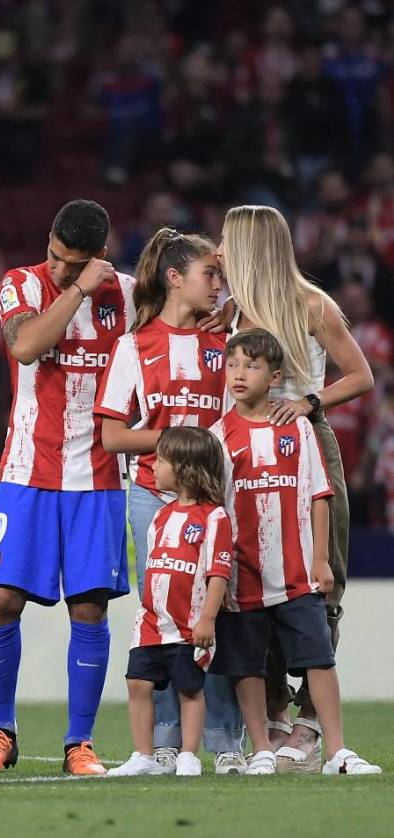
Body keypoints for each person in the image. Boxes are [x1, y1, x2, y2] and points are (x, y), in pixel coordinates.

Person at [0, 199, 135, 776]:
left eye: (74, 264)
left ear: (101, 255)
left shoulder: (132, 296)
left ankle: (79, 744)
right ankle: (1, 729)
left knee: (89, 608)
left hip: (98, 477)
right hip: (26, 472)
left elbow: (189, 313)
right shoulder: (22, 284)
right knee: (1, 600)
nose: (60, 269)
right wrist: (74, 290)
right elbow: (23, 347)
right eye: (56, 257)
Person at [217, 204, 374, 773]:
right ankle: (277, 713)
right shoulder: (230, 312)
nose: (219, 252)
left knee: (317, 578)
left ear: (251, 248)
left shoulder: (311, 304)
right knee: (256, 578)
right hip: (244, 447)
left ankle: (311, 719)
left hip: (305, 442)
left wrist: (309, 403)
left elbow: (361, 375)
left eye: (228, 242)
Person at [94, 228, 246, 775]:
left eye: (221, 277)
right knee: (160, 613)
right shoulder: (134, 345)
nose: (218, 286)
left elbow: (234, 423)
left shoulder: (225, 348)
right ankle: (160, 744)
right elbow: (112, 435)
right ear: (174, 278)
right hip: (151, 497)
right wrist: (180, 448)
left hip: (214, 501)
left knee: (217, 612)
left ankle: (226, 741)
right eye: (211, 275)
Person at [106, 426, 233, 778]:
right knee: (138, 683)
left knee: (190, 688)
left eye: (160, 461)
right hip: (151, 623)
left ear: (186, 469)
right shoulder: (161, 517)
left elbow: (218, 571)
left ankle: (188, 754)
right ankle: (143, 754)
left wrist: (207, 617)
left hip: (187, 625)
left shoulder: (213, 517)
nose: (153, 467)